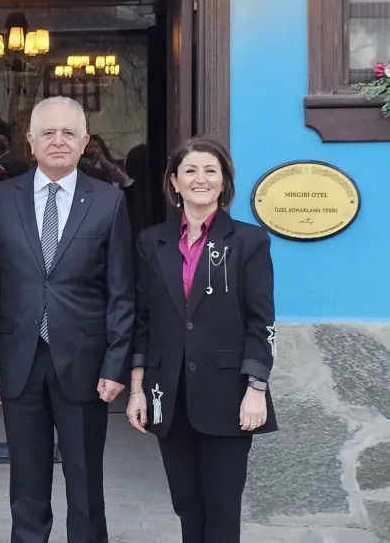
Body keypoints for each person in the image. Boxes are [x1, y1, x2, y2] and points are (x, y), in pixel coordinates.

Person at [0, 96, 135, 543]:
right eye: (48, 132)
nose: (58, 141)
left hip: (86, 363)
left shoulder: (108, 201)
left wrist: (115, 365)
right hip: (19, 361)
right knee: (26, 484)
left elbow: (121, 292)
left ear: (85, 142)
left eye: (69, 133)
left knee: (85, 485)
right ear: (30, 141)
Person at [125, 137, 278, 543]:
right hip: (169, 395)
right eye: (190, 170)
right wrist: (137, 390)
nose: (200, 179)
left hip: (229, 395)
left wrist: (256, 388)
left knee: (222, 509)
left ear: (224, 182)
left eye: (211, 171)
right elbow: (142, 320)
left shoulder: (249, 242)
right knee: (187, 506)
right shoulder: (151, 242)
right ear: (174, 181)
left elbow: (261, 322)